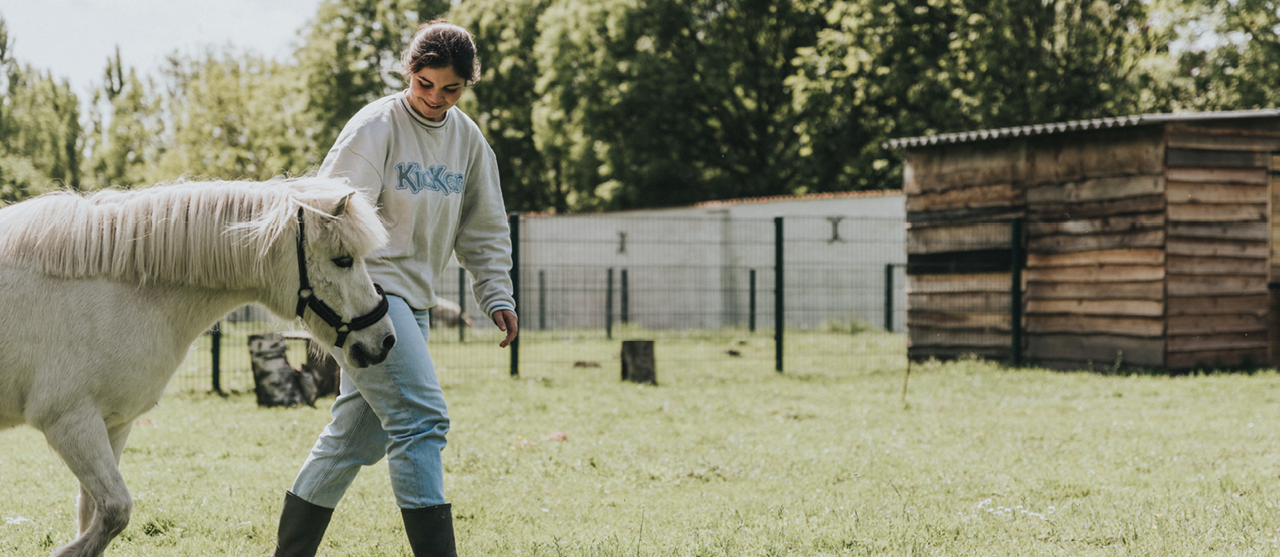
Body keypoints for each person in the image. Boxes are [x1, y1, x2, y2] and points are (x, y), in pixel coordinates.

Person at [272, 20, 517, 557]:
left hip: (418, 302)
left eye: (450, 89)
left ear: (466, 85)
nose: (434, 98)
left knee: (355, 438)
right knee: (421, 418)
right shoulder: (375, 127)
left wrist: (496, 293)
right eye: (424, 83)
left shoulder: (467, 140)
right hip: (369, 298)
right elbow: (325, 215)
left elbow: (486, 224)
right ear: (411, 71)